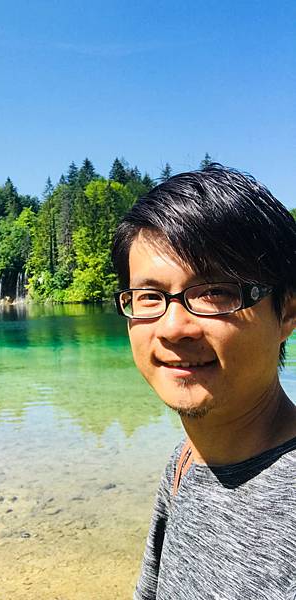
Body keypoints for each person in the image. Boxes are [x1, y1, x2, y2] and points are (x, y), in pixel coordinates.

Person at [111, 164, 296, 600]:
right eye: (150, 297)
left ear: (287, 312)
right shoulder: (187, 459)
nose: (174, 327)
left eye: (215, 292)